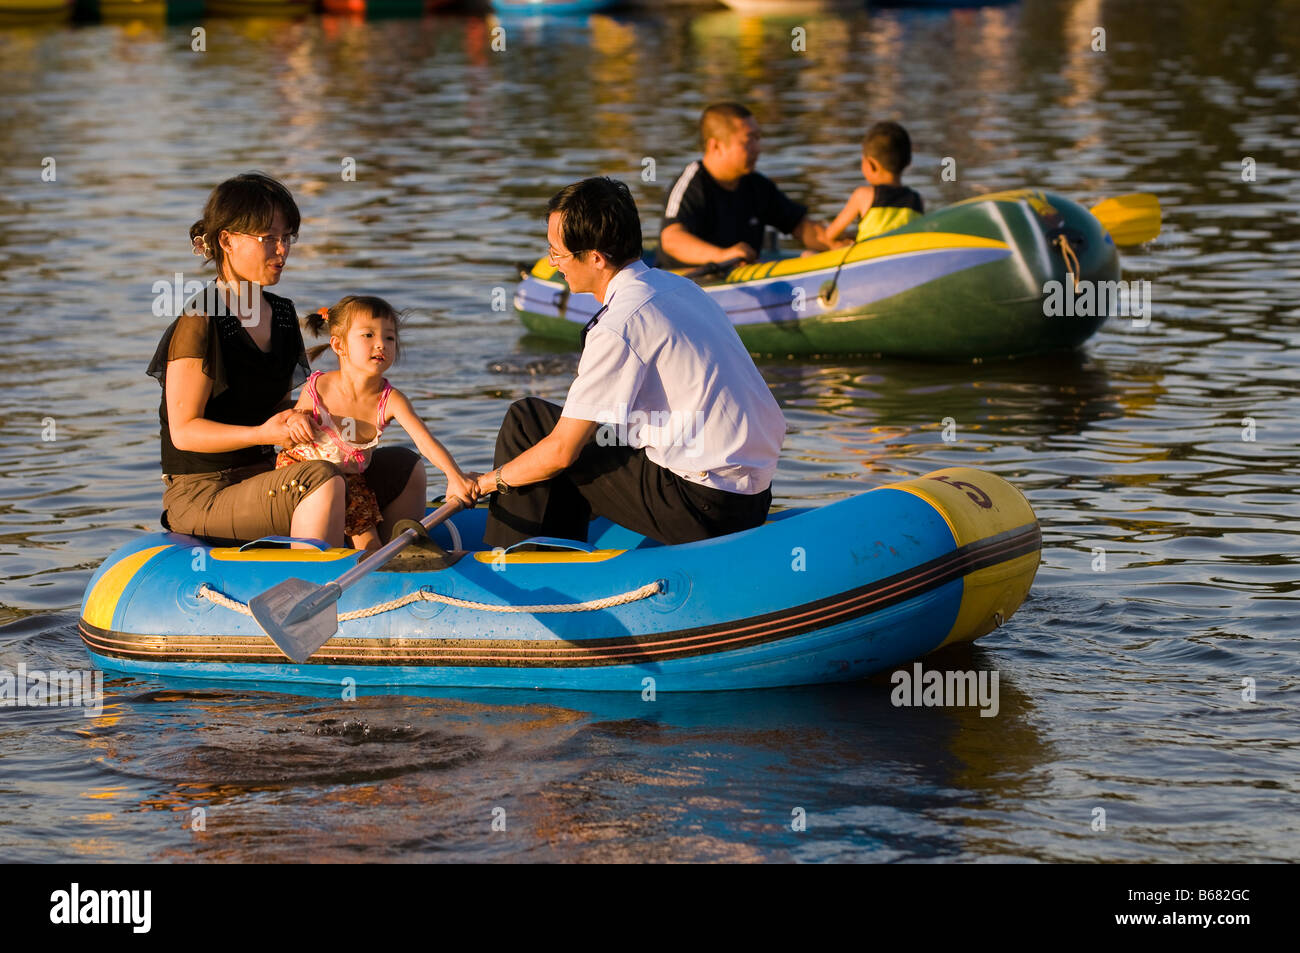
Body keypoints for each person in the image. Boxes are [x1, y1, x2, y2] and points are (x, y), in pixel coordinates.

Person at [476, 177, 787, 548]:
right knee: (580, 434)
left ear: (595, 258)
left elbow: (560, 452)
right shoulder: (681, 287)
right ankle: (559, 543)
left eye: (557, 253)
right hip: (754, 494)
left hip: (703, 507)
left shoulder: (619, 324)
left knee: (528, 423)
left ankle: (514, 566)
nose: (554, 263)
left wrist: (484, 483)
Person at [147, 172, 423, 548]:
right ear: (227, 240)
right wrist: (263, 434)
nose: (282, 250)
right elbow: (185, 431)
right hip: (204, 493)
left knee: (405, 466)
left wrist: (341, 416)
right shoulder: (200, 322)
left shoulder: (281, 314)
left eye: (287, 237)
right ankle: (315, 574)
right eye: (269, 238)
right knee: (322, 479)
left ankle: (399, 569)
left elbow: (283, 412)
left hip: (271, 475)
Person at [277, 295, 478, 550]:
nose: (381, 344)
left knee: (370, 544)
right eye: (368, 335)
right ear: (339, 345)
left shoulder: (391, 400)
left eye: (389, 338)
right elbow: (289, 423)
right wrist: (295, 420)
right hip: (304, 479)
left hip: (351, 484)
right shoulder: (319, 387)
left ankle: (384, 566)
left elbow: (425, 442)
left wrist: (454, 475)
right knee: (336, 504)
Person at [657, 102, 837, 268]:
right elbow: (671, 240)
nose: (757, 149)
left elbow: (801, 227)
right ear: (716, 146)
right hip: (683, 285)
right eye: (748, 141)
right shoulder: (692, 185)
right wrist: (723, 256)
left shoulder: (757, 185)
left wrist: (837, 244)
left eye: (758, 139)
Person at [826, 121, 925, 245]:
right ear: (908, 162)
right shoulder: (917, 199)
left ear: (870, 165)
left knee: (808, 253)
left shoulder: (863, 195)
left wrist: (847, 238)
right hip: (904, 253)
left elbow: (830, 234)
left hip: (869, 254)